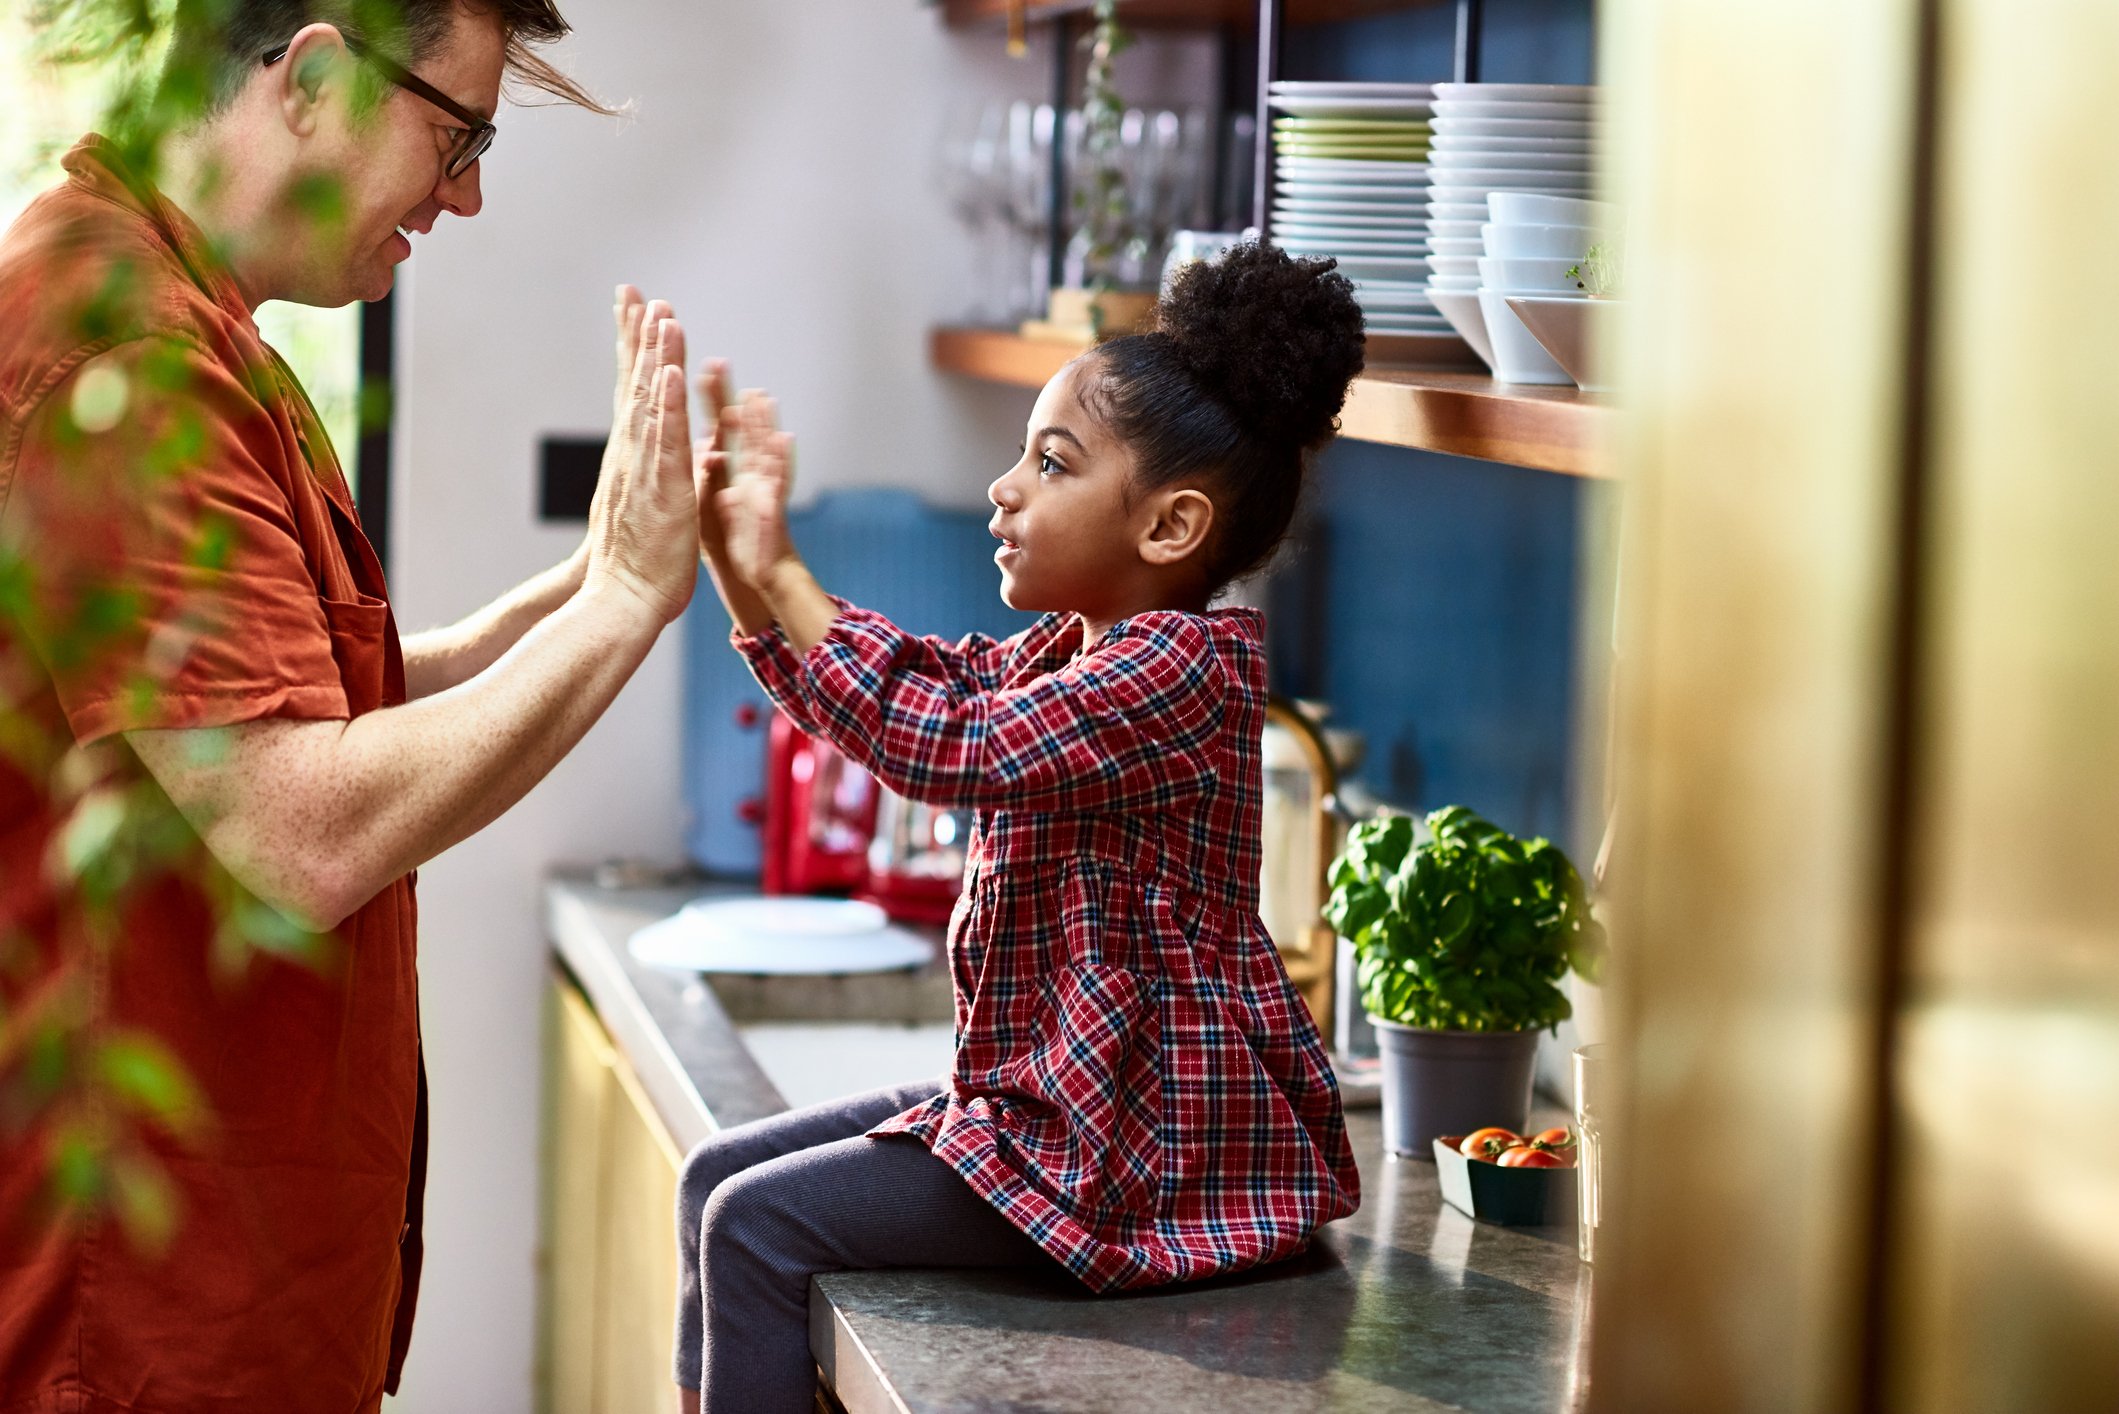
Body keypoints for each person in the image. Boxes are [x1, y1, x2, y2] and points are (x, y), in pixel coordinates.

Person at [0, 3, 709, 1408]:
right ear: (315, 79)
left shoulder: (197, 319)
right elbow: (299, 830)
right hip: (140, 1320)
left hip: (226, 1285)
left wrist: (583, 587)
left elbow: (319, 704)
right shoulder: (125, 358)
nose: (467, 194)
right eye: (459, 135)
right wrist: (627, 603)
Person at [671, 241, 1371, 1414]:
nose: (1006, 486)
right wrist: (743, 573)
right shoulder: (1071, 650)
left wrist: (782, 568)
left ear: (1169, 525)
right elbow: (918, 686)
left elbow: (951, 748)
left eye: (1050, 463)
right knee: (716, 1180)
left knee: (753, 1223)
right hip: (1051, 1115)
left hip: (1133, 1155)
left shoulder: (1179, 669)